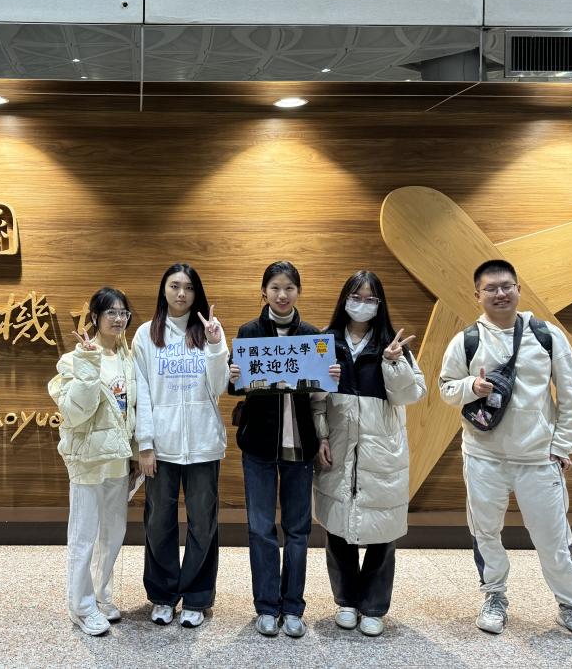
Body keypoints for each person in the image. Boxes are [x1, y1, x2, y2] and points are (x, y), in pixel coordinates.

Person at [439, 259, 572, 648]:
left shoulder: (546, 336)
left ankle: (571, 608)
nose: (500, 294)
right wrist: (471, 387)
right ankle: (494, 597)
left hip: (537, 458)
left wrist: (562, 446)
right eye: (491, 288)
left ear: (518, 289)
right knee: (485, 533)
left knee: (553, 538)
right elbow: (445, 388)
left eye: (506, 286)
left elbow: (570, 394)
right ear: (477, 295)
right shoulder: (466, 339)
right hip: (483, 456)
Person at [229, 261, 341, 638]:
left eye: (289, 288)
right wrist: (233, 377)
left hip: (300, 444)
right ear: (264, 292)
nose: (282, 295)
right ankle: (266, 605)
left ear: (298, 292)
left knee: (297, 528)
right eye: (275, 288)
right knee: (261, 527)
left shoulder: (312, 337)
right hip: (259, 444)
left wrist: (330, 377)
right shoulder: (249, 332)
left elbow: (320, 395)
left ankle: (293, 606)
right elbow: (235, 386)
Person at [313, 270, 426, 637]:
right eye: (355, 297)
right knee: (337, 527)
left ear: (379, 304)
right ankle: (346, 601)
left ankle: (374, 606)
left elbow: (410, 395)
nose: (362, 304)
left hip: (382, 451)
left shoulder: (393, 345)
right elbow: (315, 400)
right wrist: (320, 436)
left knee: (382, 529)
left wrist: (393, 363)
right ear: (344, 299)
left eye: (369, 299)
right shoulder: (325, 342)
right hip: (339, 447)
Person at [133, 262, 229, 628]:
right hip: (162, 445)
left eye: (188, 287)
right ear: (164, 290)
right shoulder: (146, 334)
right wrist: (145, 444)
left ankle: (197, 596)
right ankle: (163, 595)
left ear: (196, 293)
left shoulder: (209, 331)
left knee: (203, 522)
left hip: (204, 443)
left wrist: (216, 344)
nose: (181, 293)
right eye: (174, 286)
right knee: (159, 521)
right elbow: (142, 392)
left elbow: (219, 386)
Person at [48, 287, 137, 636]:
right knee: (84, 535)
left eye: (123, 312)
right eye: (110, 312)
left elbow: (132, 410)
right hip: (88, 461)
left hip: (118, 459)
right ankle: (81, 607)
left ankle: (101, 595)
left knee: (112, 534)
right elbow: (75, 412)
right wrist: (87, 364)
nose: (118, 319)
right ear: (95, 318)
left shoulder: (128, 358)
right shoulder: (74, 360)